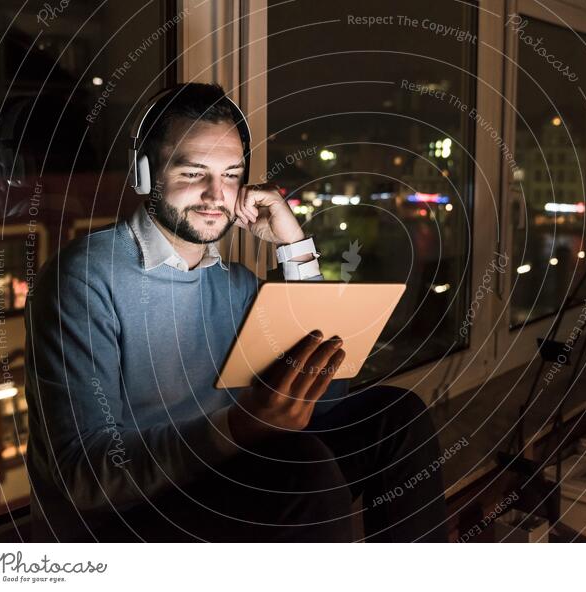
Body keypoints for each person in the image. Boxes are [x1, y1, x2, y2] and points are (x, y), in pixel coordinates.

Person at [24, 82, 447, 542]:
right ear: (144, 174)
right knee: (308, 475)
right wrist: (239, 426)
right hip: (125, 518)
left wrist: (294, 247)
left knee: (397, 417)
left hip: (222, 473)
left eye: (231, 175)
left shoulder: (235, 283)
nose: (215, 195)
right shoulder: (84, 280)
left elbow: (327, 395)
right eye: (192, 173)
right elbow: (82, 477)